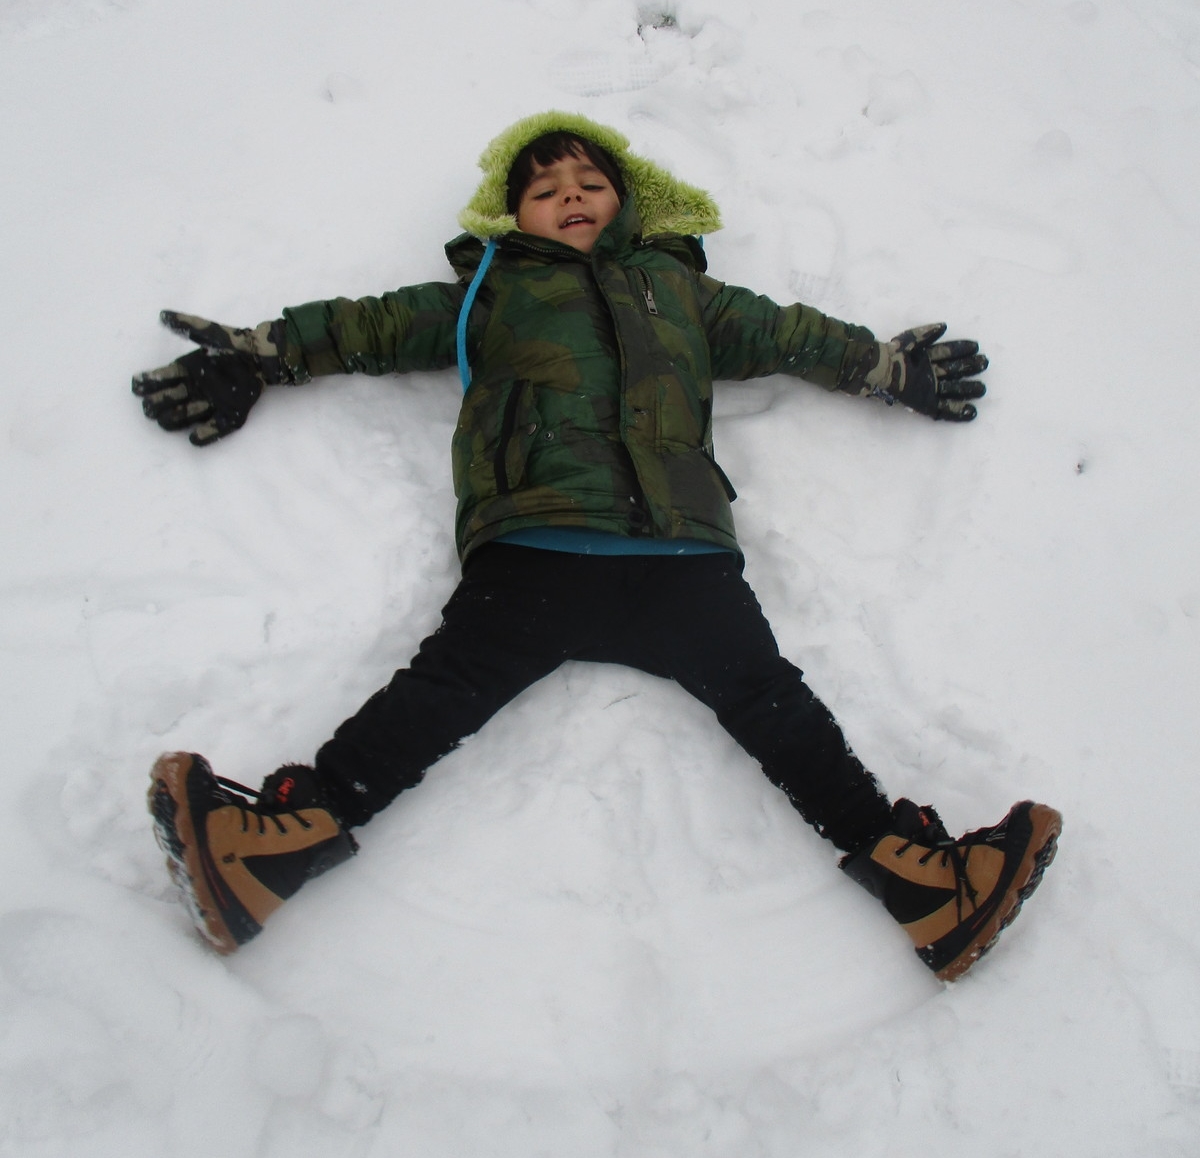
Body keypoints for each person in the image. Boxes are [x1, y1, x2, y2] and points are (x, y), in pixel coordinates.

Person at [136, 110, 1060, 981]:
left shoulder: (682, 292)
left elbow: (788, 333)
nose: (570, 195)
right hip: (539, 543)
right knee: (441, 692)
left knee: (773, 704)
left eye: (590, 181)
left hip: (681, 554)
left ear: (628, 199)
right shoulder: (490, 293)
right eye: (544, 189)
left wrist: (885, 367)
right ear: (512, 213)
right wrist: (260, 351)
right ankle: (271, 849)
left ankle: (927, 886)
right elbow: (365, 325)